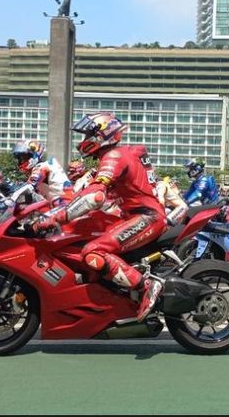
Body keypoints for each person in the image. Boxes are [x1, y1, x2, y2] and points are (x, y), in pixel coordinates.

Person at [32, 112, 166, 322]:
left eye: (87, 135)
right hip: (131, 216)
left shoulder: (113, 157)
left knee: (93, 252)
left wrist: (55, 219)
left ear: (101, 134)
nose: (83, 141)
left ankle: (145, 286)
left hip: (146, 217)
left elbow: (94, 196)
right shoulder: (115, 156)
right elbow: (86, 195)